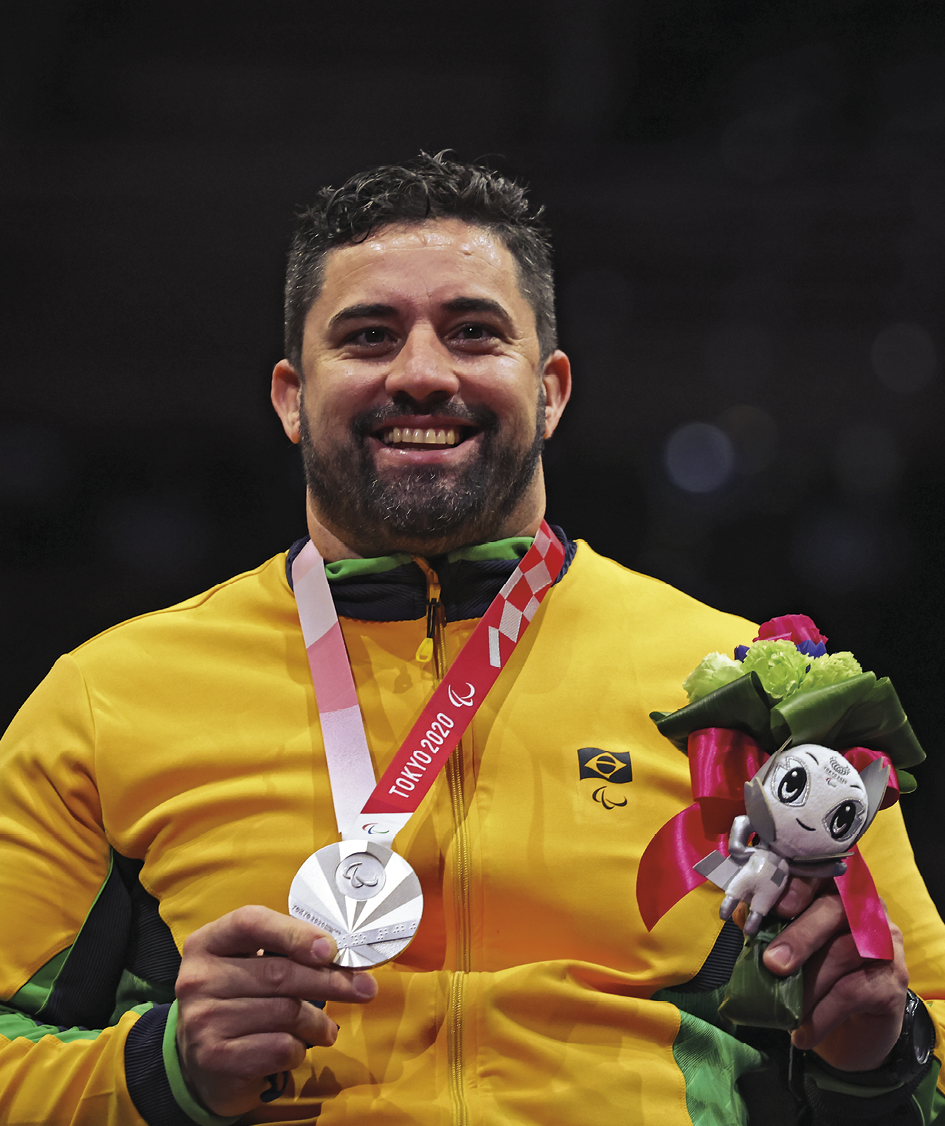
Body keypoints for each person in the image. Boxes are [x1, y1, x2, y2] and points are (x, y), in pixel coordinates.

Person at [0, 153, 942, 1126]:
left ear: (551, 389)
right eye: (369, 337)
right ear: (290, 395)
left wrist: (885, 1049)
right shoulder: (108, 699)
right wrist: (165, 1068)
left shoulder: (750, 690)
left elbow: (927, 1037)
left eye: (473, 333)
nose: (421, 372)